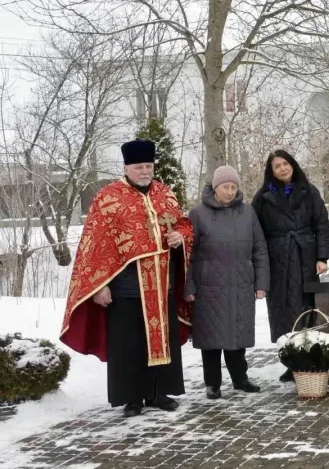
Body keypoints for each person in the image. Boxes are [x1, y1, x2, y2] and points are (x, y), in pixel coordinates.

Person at [60, 139, 193, 418]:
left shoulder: (165, 194)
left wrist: (181, 235)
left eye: (148, 166)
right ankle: (132, 397)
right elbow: (93, 244)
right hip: (126, 288)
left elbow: (183, 223)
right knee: (129, 345)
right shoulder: (108, 198)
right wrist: (101, 284)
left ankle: (159, 391)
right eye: (139, 166)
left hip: (161, 284)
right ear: (127, 167)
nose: (145, 171)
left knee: (162, 340)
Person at [185, 166, 270, 399]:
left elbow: (259, 249)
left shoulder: (247, 212)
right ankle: (212, 383)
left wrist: (261, 283)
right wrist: (189, 286)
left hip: (241, 282)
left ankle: (240, 379)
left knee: (237, 334)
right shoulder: (198, 214)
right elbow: (188, 255)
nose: (230, 192)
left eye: (234, 187)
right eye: (225, 187)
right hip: (208, 285)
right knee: (210, 339)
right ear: (215, 188)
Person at [252, 150, 329, 382]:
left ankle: (310, 359)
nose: (283, 169)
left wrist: (322, 257)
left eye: (286, 164)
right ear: (271, 171)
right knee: (282, 312)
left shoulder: (308, 191)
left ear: (293, 165)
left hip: (305, 257)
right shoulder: (263, 196)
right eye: (277, 166)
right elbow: (256, 232)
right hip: (278, 260)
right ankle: (290, 362)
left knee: (306, 308)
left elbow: (322, 225)